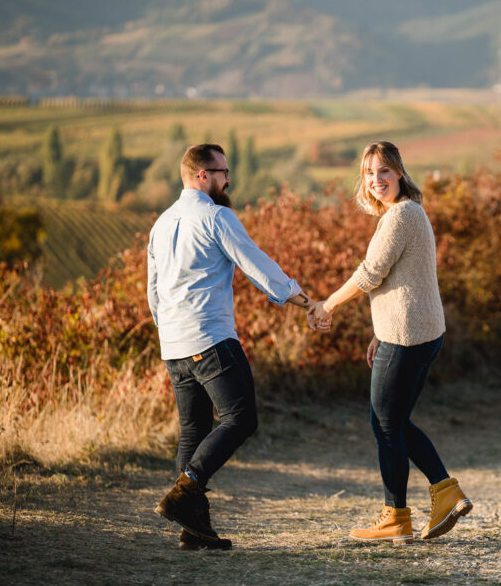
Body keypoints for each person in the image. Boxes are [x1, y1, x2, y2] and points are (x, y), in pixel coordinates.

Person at [148, 142, 322, 550]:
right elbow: (256, 263)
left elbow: (153, 290)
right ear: (202, 176)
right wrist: (304, 301)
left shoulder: (161, 223)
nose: (229, 179)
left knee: (194, 432)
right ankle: (182, 493)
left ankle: (195, 531)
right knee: (241, 418)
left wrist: (166, 331)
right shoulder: (215, 216)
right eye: (224, 172)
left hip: (173, 343)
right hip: (209, 337)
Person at [310, 141, 472, 545]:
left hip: (408, 336)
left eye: (384, 171)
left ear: (400, 172)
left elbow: (371, 274)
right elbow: (402, 283)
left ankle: (400, 515)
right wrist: (378, 332)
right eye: (368, 173)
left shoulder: (402, 216)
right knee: (394, 422)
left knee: (384, 425)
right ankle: (439, 495)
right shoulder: (406, 214)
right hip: (413, 332)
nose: (376, 179)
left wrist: (326, 305)